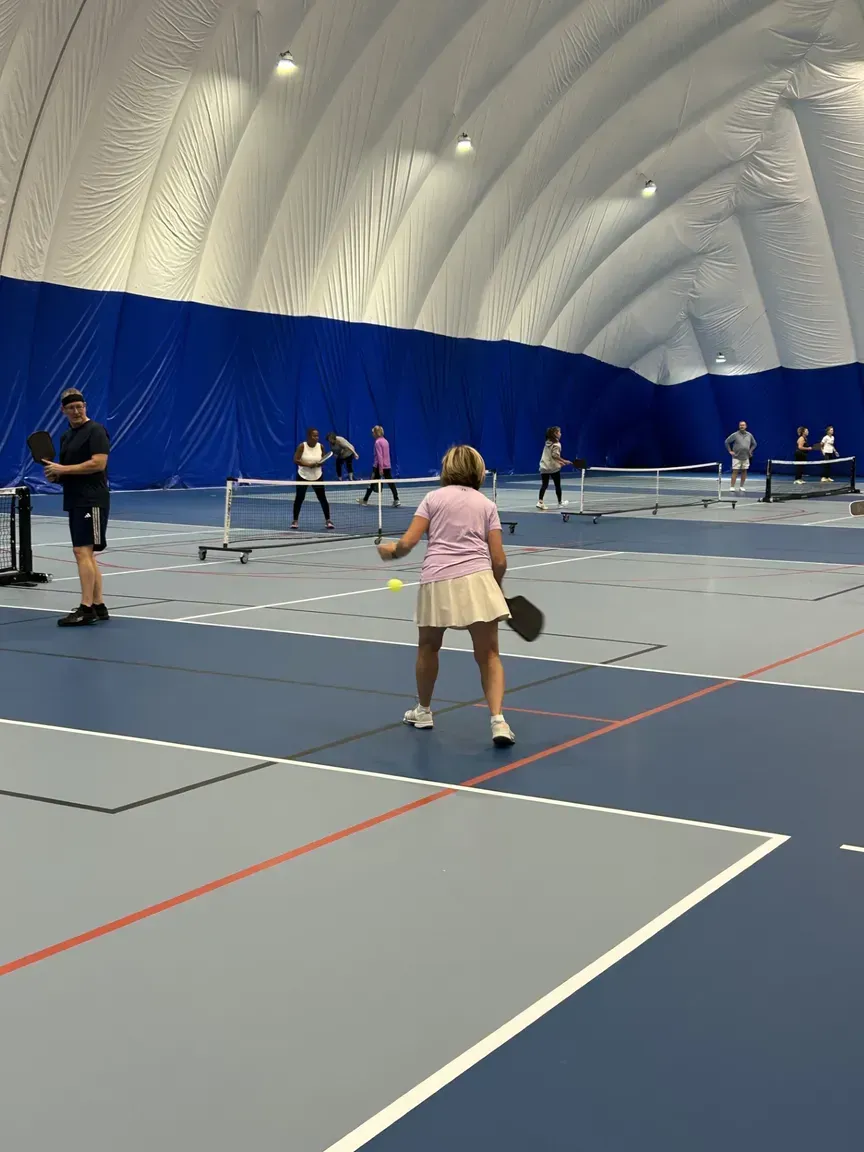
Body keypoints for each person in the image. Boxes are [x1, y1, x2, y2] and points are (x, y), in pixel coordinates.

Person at [377, 445, 515, 748]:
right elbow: (500, 560)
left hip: (437, 581)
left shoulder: (432, 499)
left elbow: (407, 544)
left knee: (428, 647)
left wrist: (390, 552)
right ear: (478, 472)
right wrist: (497, 587)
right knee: (489, 656)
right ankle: (498, 721)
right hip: (479, 581)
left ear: (447, 469)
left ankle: (424, 711)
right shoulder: (486, 505)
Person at [42, 389, 111, 627]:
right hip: (74, 498)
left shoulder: (96, 431)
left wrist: (64, 470)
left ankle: (86, 608)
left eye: (80, 406)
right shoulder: (65, 437)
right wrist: (56, 475)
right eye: (71, 408)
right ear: (63, 411)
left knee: (82, 552)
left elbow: (98, 463)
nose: (77, 411)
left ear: (85, 406)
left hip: (92, 499)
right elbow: (67, 469)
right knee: (86, 553)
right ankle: (99, 606)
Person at [291, 428, 334, 530]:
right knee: (299, 498)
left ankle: (328, 521)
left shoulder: (321, 446)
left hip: (317, 476)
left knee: (322, 498)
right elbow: (296, 459)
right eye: (314, 436)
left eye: (317, 436)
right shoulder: (302, 446)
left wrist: (319, 464)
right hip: (303, 476)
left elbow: (323, 459)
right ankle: (295, 521)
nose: (316, 438)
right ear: (309, 436)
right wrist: (308, 464)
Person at [359, 426, 400, 507]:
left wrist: (380, 468)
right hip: (387, 466)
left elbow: (379, 456)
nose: (372, 434)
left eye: (373, 432)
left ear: (376, 433)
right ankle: (396, 499)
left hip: (378, 466)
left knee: (372, 482)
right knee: (391, 483)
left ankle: (365, 500)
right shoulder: (386, 441)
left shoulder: (377, 442)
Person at [536, 426, 571, 509]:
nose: (560, 434)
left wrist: (560, 462)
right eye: (559, 432)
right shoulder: (557, 444)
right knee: (557, 485)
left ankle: (540, 501)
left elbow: (551, 456)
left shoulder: (547, 442)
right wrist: (564, 461)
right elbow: (555, 455)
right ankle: (560, 502)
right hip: (553, 468)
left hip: (544, 466)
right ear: (555, 434)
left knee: (544, 485)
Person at [724, 420, 756, 493]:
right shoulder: (735, 435)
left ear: (746, 426)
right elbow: (726, 442)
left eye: (743, 425)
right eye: (741, 425)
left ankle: (741, 486)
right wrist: (730, 451)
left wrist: (750, 451)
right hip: (736, 457)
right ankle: (732, 487)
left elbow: (754, 444)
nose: (742, 426)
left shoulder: (749, 435)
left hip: (746, 457)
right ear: (739, 426)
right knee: (735, 471)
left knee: (744, 471)